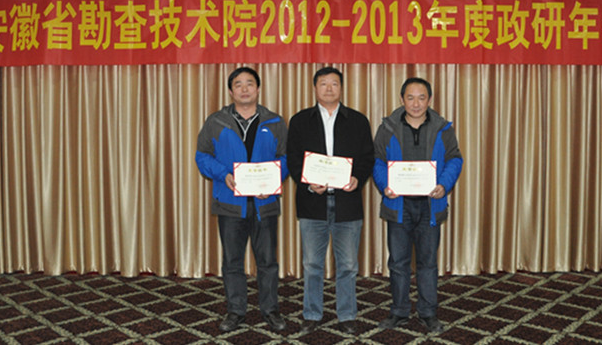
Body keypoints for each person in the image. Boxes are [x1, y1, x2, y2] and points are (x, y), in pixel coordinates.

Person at [195, 67, 289, 332]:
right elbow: (202, 156)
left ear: (258, 89)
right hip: (230, 203)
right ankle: (236, 311)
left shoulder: (275, 122)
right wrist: (223, 174)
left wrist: (272, 181)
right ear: (230, 91)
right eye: (238, 84)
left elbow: (286, 157)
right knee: (232, 261)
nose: (244, 89)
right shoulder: (216, 121)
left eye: (250, 83)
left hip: (264, 203)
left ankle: (270, 310)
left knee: (267, 262)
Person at [287, 67, 374, 335]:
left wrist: (358, 178)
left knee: (347, 265)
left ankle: (346, 315)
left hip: (347, 202)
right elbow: (293, 159)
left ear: (341, 88)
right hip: (312, 202)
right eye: (323, 83)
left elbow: (367, 158)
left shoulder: (357, 120)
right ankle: (312, 314)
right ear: (315, 88)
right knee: (312, 264)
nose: (328, 88)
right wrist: (307, 182)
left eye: (334, 83)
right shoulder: (300, 120)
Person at [372, 77, 463, 334]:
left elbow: (454, 159)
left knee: (427, 263)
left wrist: (444, 184)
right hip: (398, 205)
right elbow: (377, 160)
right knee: (398, 262)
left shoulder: (443, 128)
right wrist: (385, 185)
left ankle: (428, 312)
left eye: (421, 98)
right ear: (402, 99)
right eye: (410, 98)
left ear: (429, 100)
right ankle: (399, 311)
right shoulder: (387, 128)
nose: (416, 103)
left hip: (429, 206)